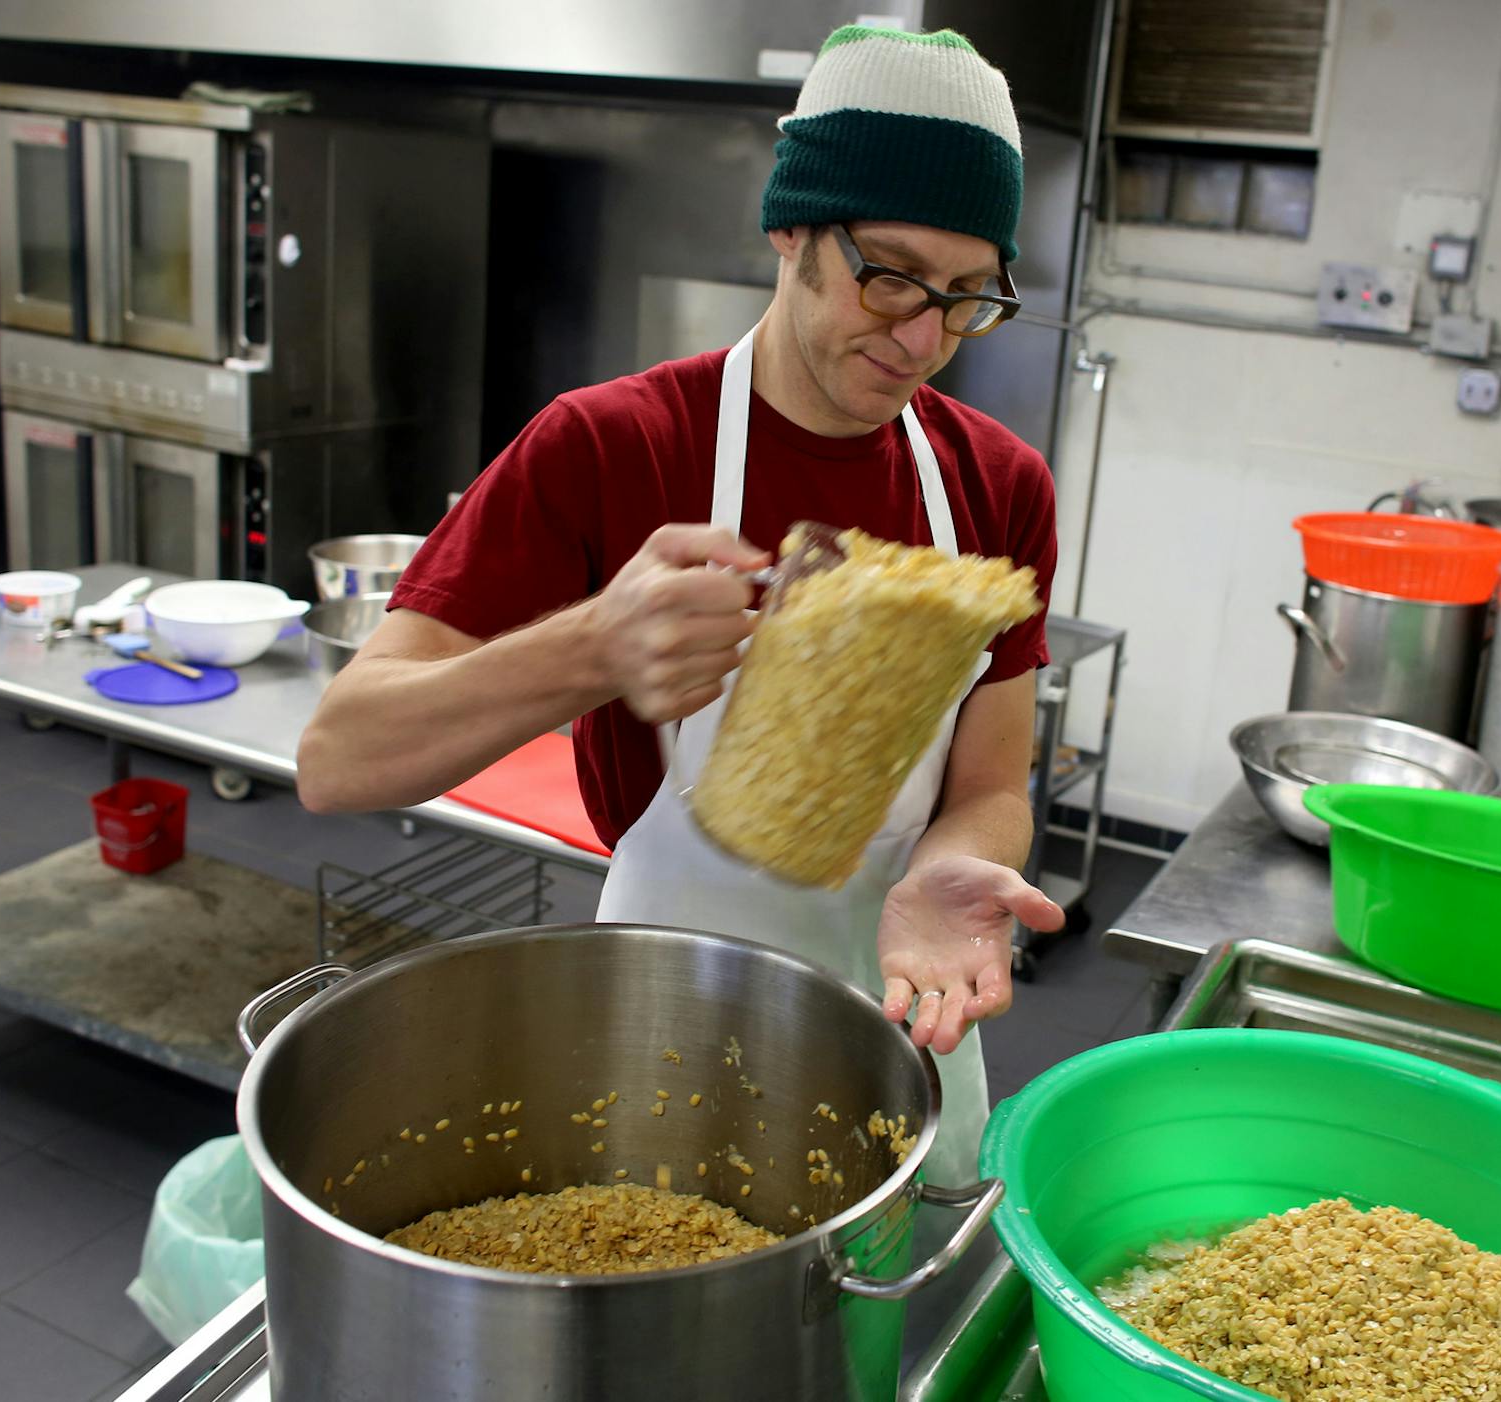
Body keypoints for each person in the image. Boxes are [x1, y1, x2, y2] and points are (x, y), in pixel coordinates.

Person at [297, 23, 1061, 1183]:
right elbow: (338, 760)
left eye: (965, 298)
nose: (922, 337)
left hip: (904, 1012)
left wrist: (955, 864)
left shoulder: (995, 486)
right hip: (665, 1023)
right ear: (792, 229)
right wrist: (592, 646)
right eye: (890, 274)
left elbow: (994, 784)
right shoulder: (610, 447)